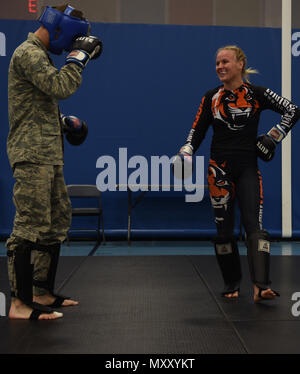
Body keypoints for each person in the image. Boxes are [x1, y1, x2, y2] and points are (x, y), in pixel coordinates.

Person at [175, 45, 300, 302]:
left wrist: (274, 137)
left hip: (247, 169)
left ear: (240, 64)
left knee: (255, 227)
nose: (220, 67)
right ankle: (231, 283)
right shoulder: (211, 97)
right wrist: (186, 151)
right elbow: (196, 131)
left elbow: (293, 110)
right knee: (223, 233)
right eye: (217, 63)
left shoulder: (258, 93)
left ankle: (260, 286)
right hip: (218, 171)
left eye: (225, 62)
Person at [6, 4, 102, 320]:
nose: (70, 47)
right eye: (74, 39)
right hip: (31, 155)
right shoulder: (28, 52)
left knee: (56, 220)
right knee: (30, 224)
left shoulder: (41, 56)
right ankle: (19, 304)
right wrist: (79, 58)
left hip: (49, 153)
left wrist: (63, 121)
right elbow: (61, 86)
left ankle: (41, 293)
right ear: (59, 27)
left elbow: (38, 101)